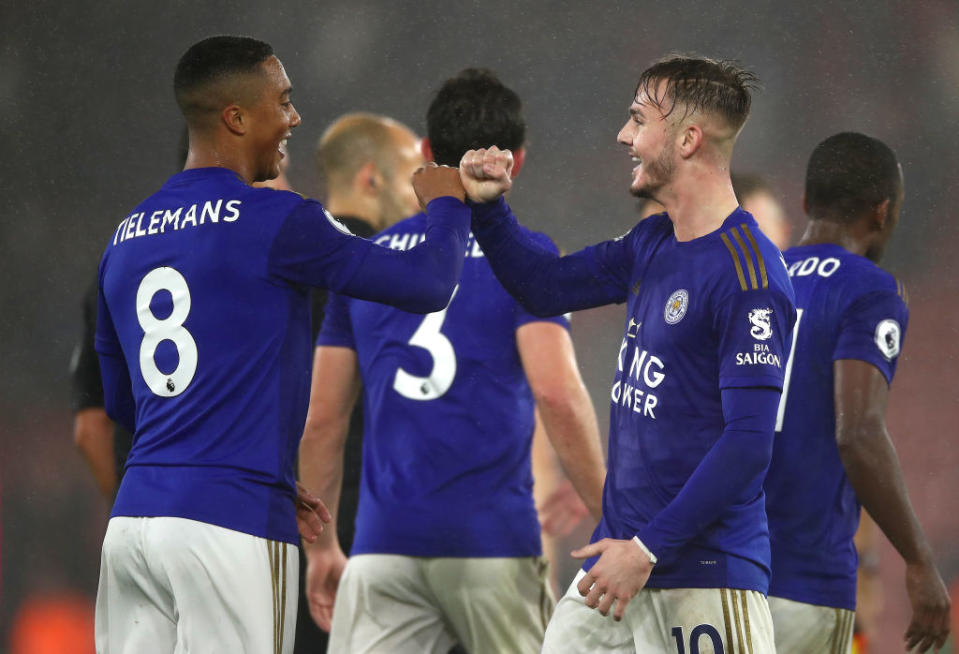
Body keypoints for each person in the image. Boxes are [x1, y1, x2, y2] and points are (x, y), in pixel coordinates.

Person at [93, 35, 472, 653]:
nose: (294, 118)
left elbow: (125, 406)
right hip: (228, 524)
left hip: (133, 529)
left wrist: (248, 458)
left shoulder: (125, 237)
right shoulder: (277, 219)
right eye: (284, 102)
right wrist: (449, 207)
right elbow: (427, 283)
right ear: (237, 117)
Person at [461, 55, 796, 652]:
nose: (623, 136)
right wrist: (489, 210)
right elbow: (547, 286)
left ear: (688, 139)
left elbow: (748, 444)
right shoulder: (653, 240)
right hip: (614, 570)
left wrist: (647, 549)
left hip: (704, 579)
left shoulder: (751, 277)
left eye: (639, 119)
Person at [299, 68, 606, 654]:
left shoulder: (364, 263)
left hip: (384, 548)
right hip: (492, 546)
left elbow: (322, 419)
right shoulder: (530, 260)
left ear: (425, 154)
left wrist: (322, 548)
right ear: (516, 160)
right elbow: (557, 394)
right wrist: (609, 514)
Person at [764, 132, 951, 653]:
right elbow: (859, 432)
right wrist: (917, 560)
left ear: (805, 202)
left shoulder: (752, 278)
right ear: (883, 212)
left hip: (723, 571)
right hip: (804, 581)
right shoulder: (869, 289)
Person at [294, 112, 425, 653]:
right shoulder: (392, 273)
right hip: (375, 523)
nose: (421, 194)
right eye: (413, 174)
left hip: (286, 523)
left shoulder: (285, 263)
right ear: (372, 179)